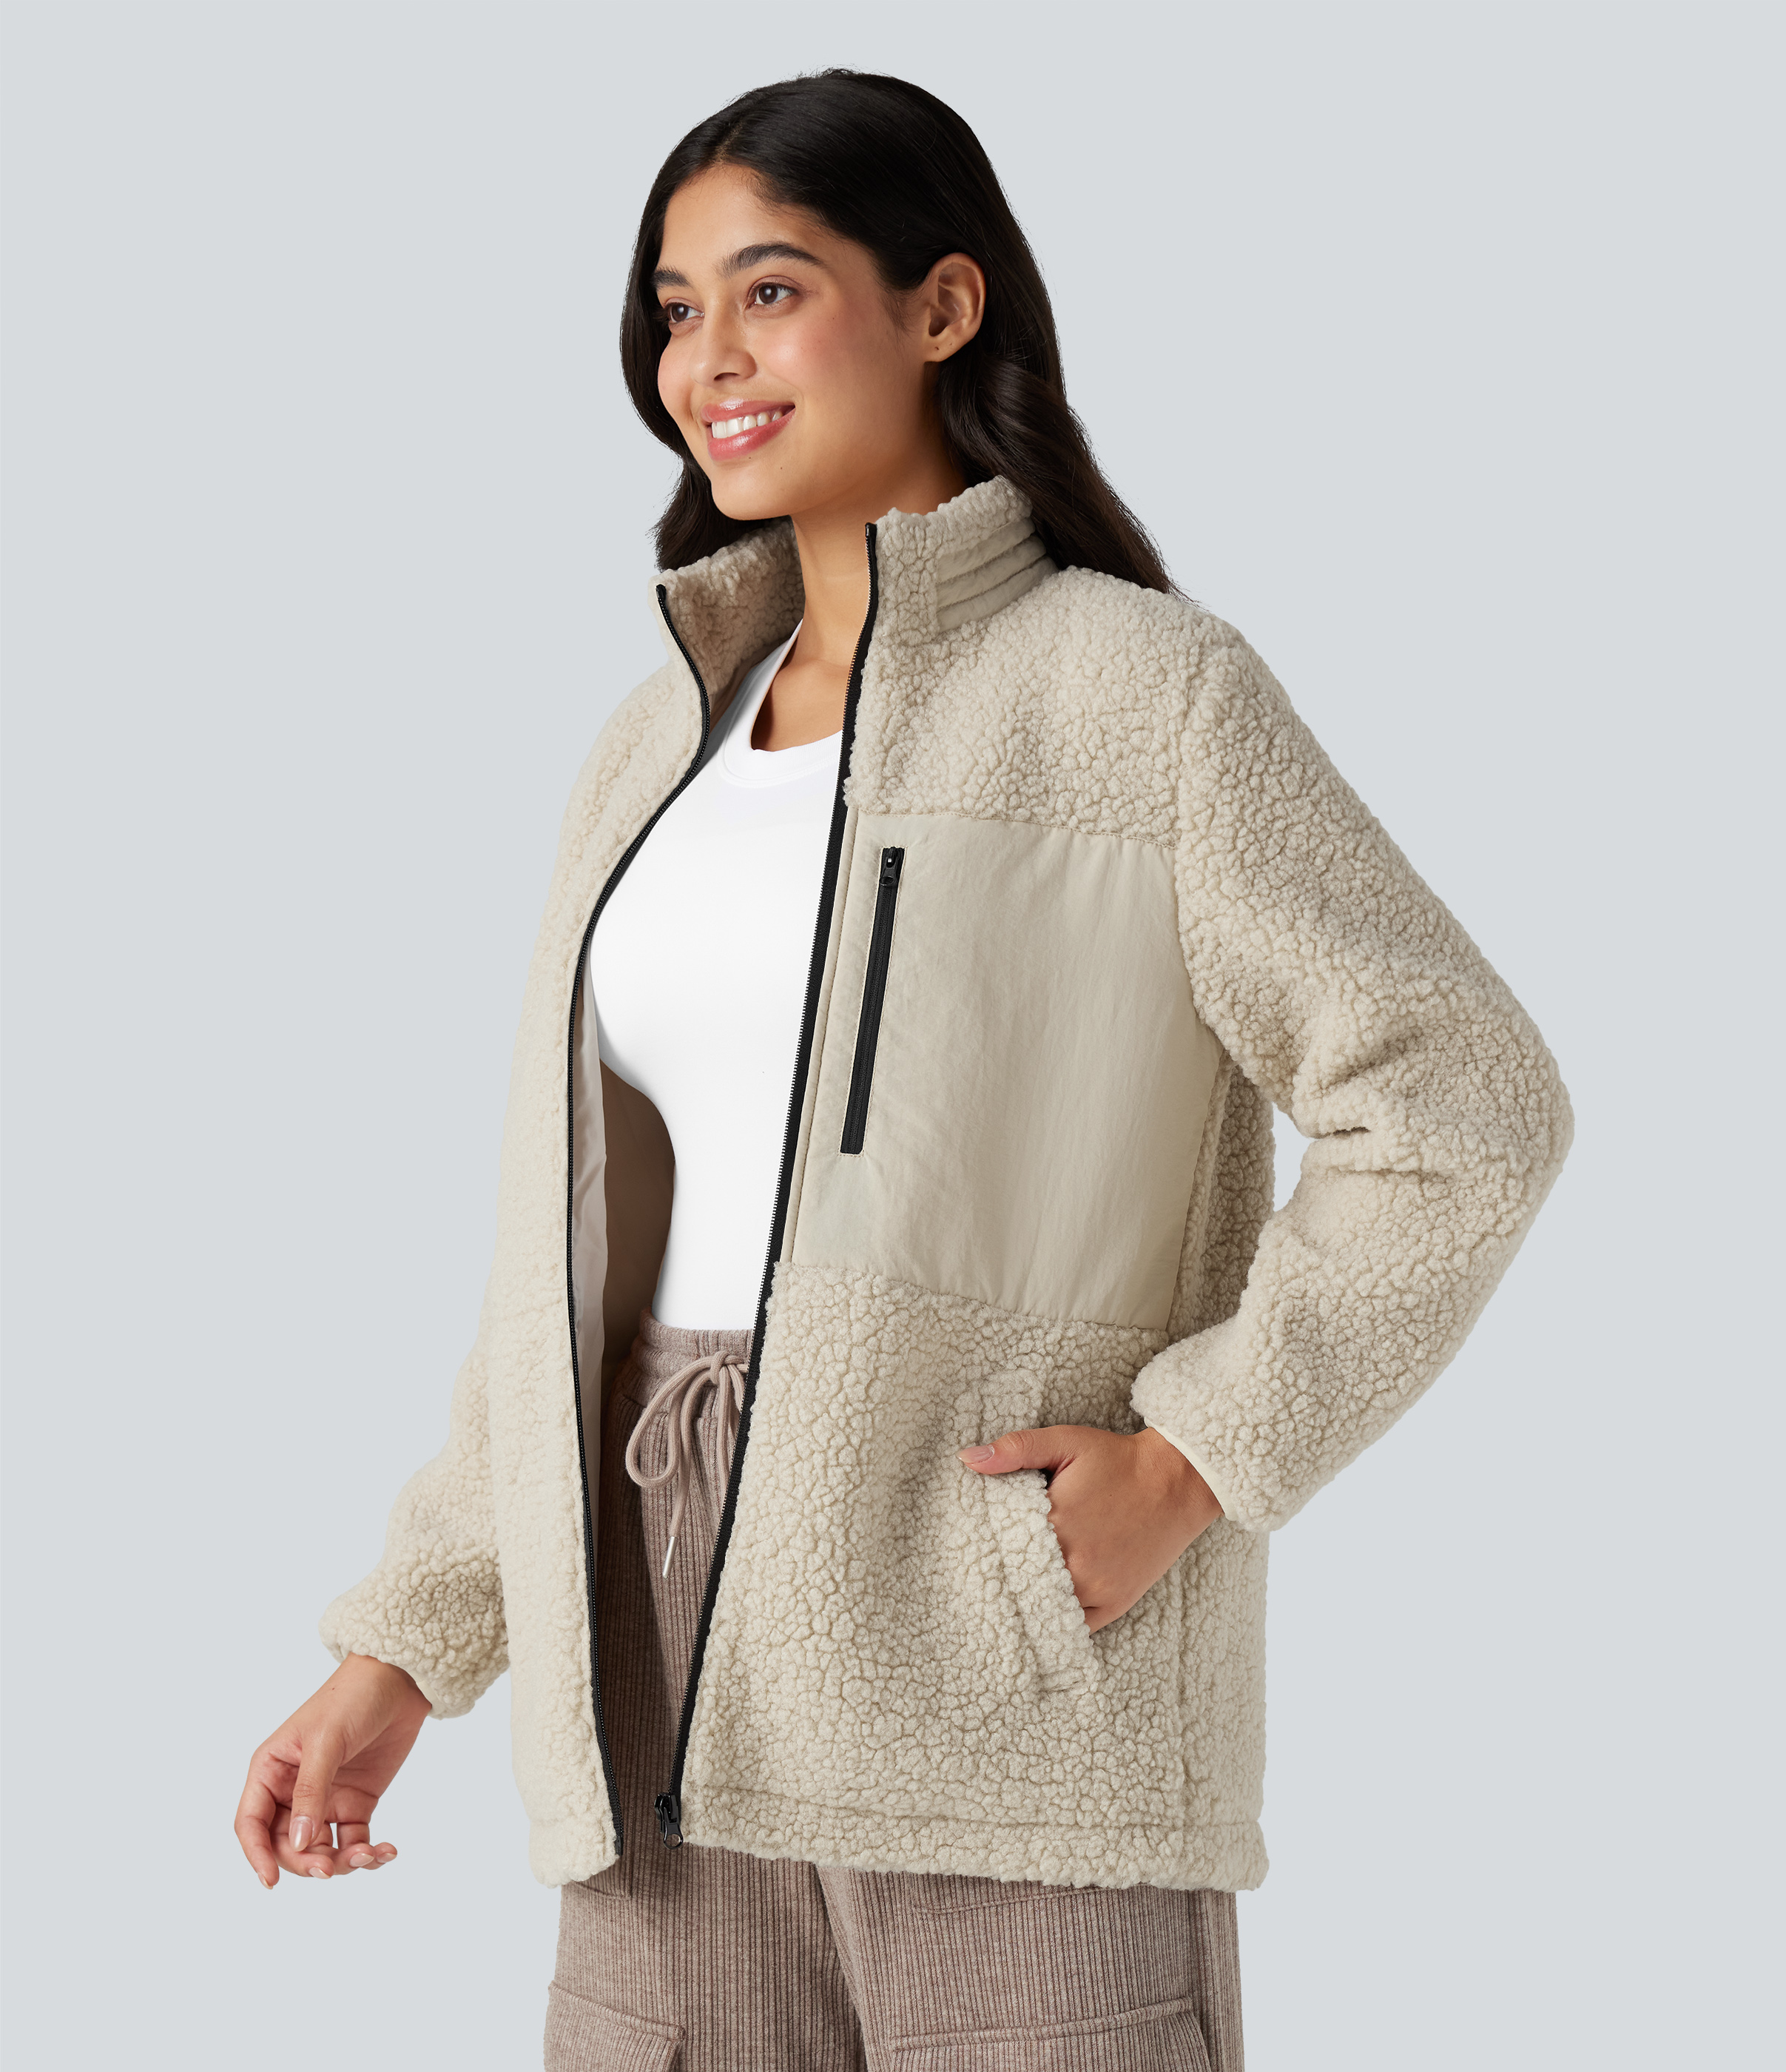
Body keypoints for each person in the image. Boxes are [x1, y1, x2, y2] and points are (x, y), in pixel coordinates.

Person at [235, 70, 1574, 2070]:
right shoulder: (656, 746)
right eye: (675, 311)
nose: (707, 359)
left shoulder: (1146, 696)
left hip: (997, 1678)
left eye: (770, 292)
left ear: (944, 306)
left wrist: (1194, 1461)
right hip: (648, 1685)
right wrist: (407, 1648)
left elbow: (1464, 1103)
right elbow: (566, 1288)